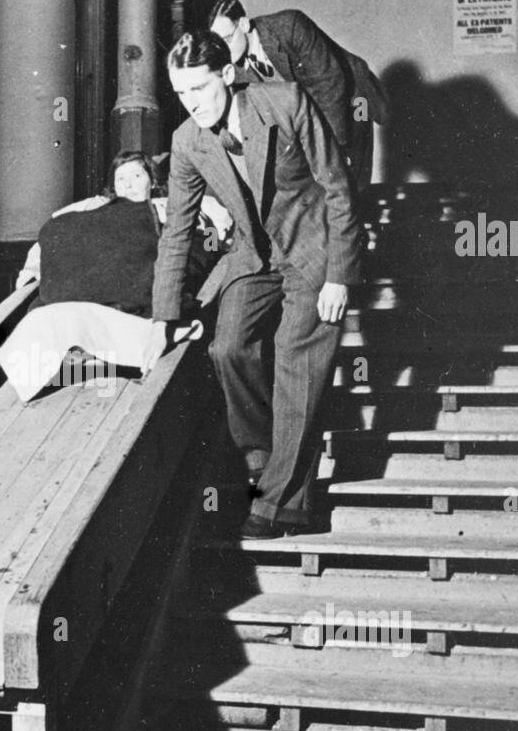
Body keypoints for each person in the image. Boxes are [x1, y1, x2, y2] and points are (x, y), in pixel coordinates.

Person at [142, 29, 365, 538]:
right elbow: (177, 231)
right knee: (227, 349)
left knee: (294, 354)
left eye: (198, 89)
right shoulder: (186, 142)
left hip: (313, 246)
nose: (190, 103)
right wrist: (162, 319)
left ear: (226, 74)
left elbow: (338, 186)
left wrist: (340, 275)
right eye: (180, 93)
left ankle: (277, 501)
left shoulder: (282, 101)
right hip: (253, 255)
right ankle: (265, 459)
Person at [208, 0, 388, 191]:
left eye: (226, 40)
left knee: (349, 185)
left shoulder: (289, 26)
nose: (223, 51)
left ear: (243, 24)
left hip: (351, 99)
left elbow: (330, 84)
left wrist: (334, 151)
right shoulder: (235, 69)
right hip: (313, 113)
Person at [15, 150, 232, 289]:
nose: (127, 185)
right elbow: (54, 229)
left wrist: (216, 246)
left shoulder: (171, 203)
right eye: (120, 179)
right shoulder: (97, 204)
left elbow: (212, 226)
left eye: (136, 176)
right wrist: (32, 270)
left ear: (153, 182)